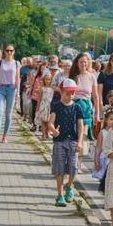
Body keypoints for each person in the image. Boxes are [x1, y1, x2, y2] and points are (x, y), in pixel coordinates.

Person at [48, 79, 84, 207]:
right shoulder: (56, 106)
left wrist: (80, 142)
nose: (70, 96)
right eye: (68, 93)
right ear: (62, 92)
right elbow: (50, 122)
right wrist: (53, 130)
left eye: (73, 93)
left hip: (73, 141)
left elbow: (80, 126)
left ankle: (69, 185)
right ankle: (60, 195)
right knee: (60, 168)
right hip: (59, 141)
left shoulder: (77, 107)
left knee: (73, 167)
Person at [0, 44, 21, 144]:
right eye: (7, 50)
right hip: (0, 88)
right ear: (4, 51)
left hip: (11, 89)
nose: (9, 52)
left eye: (11, 51)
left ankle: (5, 136)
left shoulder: (16, 63)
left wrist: (18, 92)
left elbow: (17, 78)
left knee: (8, 114)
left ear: (14, 52)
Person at [69, 53, 101, 141]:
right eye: (81, 62)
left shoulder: (92, 77)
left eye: (85, 62)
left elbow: (95, 96)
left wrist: (97, 114)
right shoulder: (73, 76)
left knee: (84, 133)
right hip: (75, 106)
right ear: (77, 63)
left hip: (87, 107)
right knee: (76, 132)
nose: (83, 64)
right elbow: (68, 94)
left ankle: (81, 151)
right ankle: (76, 151)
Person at [35, 72, 55, 140]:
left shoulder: (52, 88)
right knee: (43, 121)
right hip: (43, 105)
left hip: (50, 105)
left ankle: (47, 133)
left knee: (49, 121)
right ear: (44, 80)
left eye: (49, 79)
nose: (47, 81)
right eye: (46, 79)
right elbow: (39, 98)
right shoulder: (42, 88)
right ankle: (43, 134)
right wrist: (37, 107)